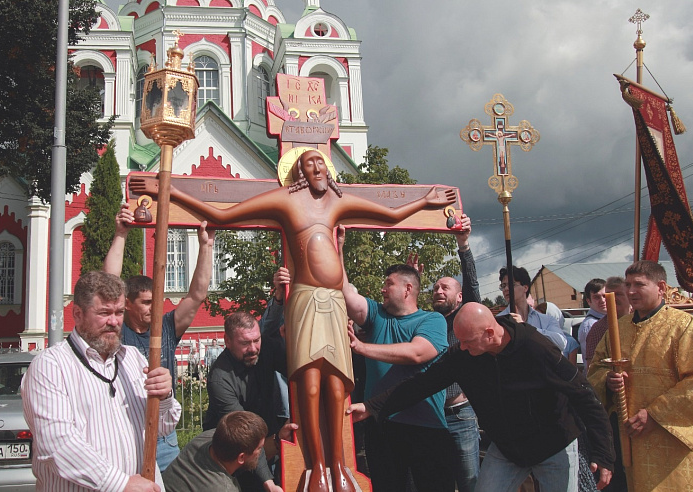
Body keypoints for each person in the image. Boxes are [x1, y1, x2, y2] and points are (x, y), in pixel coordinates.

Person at [132, 148, 453, 492]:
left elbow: (388, 215)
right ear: (299, 172)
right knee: (309, 387)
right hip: (303, 302)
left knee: (336, 386)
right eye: (308, 163)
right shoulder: (287, 200)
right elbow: (224, 214)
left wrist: (425, 201)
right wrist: (172, 191)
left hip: (332, 302)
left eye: (320, 162)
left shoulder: (336, 201)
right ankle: (315, 468)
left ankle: (338, 466)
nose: (316, 167)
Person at [350, 302, 615, 492]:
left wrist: (604, 455)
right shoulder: (464, 356)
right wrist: (372, 406)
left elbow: (584, 395)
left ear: (490, 333)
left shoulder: (536, 349)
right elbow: (422, 384)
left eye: (467, 341)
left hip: (554, 443)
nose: (462, 347)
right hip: (507, 447)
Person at [22, 270, 182, 491]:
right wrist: (120, 483)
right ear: (77, 313)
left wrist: (164, 396)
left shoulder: (133, 359)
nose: (114, 321)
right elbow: (58, 445)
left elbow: (162, 428)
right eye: (104, 312)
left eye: (118, 312)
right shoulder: (51, 366)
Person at [588, 260, 693, 491]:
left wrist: (654, 415)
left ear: (661, 287)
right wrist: (607, 381)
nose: (631, 291)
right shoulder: (618, 329)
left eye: (639, 284)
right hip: (634, 444)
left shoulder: (685, 328)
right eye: (628, 284)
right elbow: (595, 371)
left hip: (677, 448)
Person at [104, 204, 214, 473]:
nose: (154, 308)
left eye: (156, 301)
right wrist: (121, 234)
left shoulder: (166, 327)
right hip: (128, 434)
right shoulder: (117, 331)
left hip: (165, 439)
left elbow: (197, 294)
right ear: (126, 305)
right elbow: (108, 283)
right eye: (146, 303)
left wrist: (207, 246)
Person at [340, 236, 453, 492]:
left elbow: (416, 353)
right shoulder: (377, 315)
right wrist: (339, 248)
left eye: (388, 284)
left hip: (426, 427)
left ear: (407, 289)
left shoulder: (432, 320)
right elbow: (345, 292)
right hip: (382, 427)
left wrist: (361, 347)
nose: (382, 289)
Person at [202, 298, 293, 492]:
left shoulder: (266, 347)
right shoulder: (220, 378)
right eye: (245, 343)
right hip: (233, 455)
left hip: (269, 439)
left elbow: (296, 369)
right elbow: (245, 436)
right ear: (227, 341)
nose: (253, 348)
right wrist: (268, 481)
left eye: (256, 340)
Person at [426, 213, 481, 492]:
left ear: (459, 297)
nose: (438, 290)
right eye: (435, 287)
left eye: (445, 287)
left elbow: (472, 285)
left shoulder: (465, 320)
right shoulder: (428, 323)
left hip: (461, 415)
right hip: (432, 415)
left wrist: (464, 245)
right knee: (439, 484)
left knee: (470, 483)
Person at [582, 276, 631, 492]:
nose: (611, 300)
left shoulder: (641, 323)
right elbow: (593, 371)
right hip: (613, 415)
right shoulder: (598, 329)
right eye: (607, 295)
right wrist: (607, 379)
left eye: (617, 294)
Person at [162, 411, 268, 492]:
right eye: (259, 449)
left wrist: (277, 440)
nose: (260, 452)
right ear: (241, 457)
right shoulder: (223, 488)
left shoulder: (206, 439)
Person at [498, 265, 568, 351]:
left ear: (525, 288)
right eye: (503, 285)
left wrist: (527, 329)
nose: (506, 289)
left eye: (511, 284)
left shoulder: (546, 320)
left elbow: (561, 343)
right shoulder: (499, 321)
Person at [578, 278, 607, 372]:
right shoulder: (590, 325)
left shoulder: (607, 320)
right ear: (588, 301)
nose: (602, 300)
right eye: (596, 297)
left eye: (605, 295)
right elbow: (593, 361)